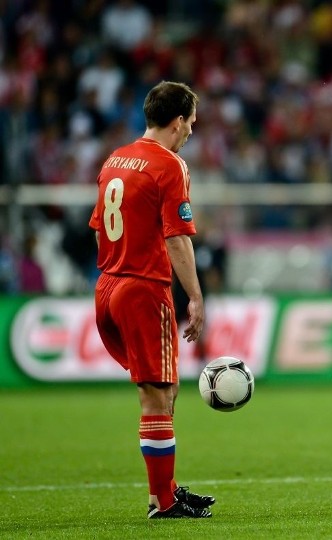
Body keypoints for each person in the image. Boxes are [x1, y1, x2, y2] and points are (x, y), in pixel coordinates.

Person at [89, 81, 214, 519]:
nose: (191, 132)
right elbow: (177, 237)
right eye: (191, 124)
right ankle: (163, 502)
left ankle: (165, 489)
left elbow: (100, 226)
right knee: (157, 397)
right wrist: (195, 297)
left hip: (107, 284)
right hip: (143, 288)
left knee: (164, 388)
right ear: (178, 120)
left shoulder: (115, 159)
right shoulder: (170, 164)